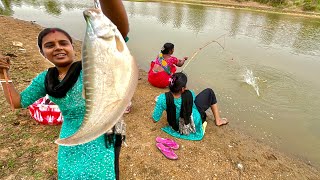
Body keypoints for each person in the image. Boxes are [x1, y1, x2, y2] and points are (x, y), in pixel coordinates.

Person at [0, 0, 129, 179]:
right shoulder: (44, 79)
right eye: (49, 45)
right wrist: (2, 75)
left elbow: (119, 32)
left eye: (63, 43)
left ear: (72, 48)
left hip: (101, 131)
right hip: (70, 135)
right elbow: (17, 102)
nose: (58, 47)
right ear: (42, 52)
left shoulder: (93, 66)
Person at [152, 72, 228, 141]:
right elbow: (193, 104)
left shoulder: (162, 98)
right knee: (209, 92)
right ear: (182, 89)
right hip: (191, 124)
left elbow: (155, 119)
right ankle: (218, 120)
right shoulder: (189, 94)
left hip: (175, 126)